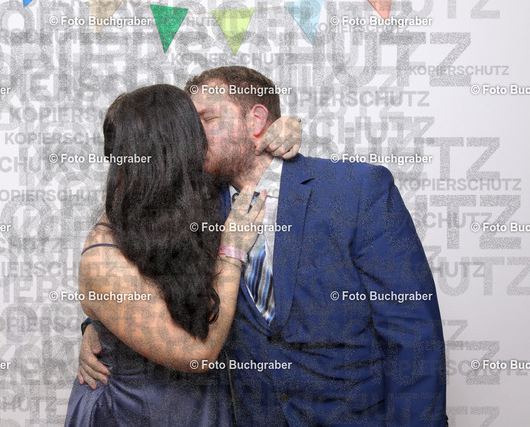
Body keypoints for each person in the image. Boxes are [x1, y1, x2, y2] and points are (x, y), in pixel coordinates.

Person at [78, 66, 447, 426]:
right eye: (187, 124)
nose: (190, 136)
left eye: (206, 119)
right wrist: (101, 327)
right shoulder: (192, 208)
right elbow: (150, 276)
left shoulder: (356, 190)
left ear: (256, 121)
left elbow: (412, 333)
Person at [64, 83, 302, 426]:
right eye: (196, 130)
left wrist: (286, 127)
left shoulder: (186, 205)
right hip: (136, 413)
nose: (206, 140)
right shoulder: (103, 258)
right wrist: (231, 251)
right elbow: (196, 355)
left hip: (207, 405)